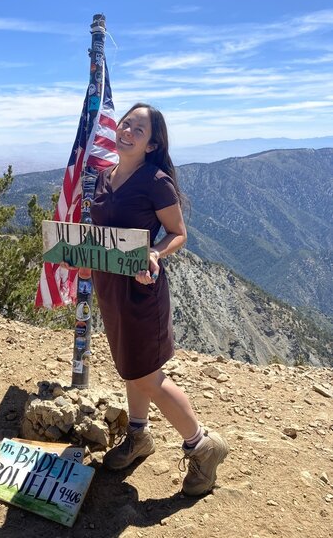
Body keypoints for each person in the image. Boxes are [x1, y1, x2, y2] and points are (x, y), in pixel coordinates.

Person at [65, 103, 228, 497]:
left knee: (147, 376)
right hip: (111, 290)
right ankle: (138, 435)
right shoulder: (104, 177)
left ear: (152, 142)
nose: (127, 130)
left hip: (141, 291)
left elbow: (178, 233)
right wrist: (87, 262)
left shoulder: (155, 181)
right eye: (126, 123)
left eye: (139, 129)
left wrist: (155, 252)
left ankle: (202, 445)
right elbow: (100, 237)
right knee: (130, 368)